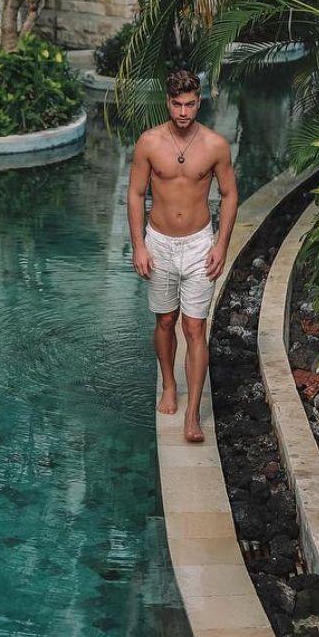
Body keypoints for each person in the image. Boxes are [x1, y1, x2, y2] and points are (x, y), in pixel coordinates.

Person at [127, 69, 239, 443]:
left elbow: (229, 194)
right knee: (165, 320)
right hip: (159, 242)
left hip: (198, 245)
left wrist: (221, 244)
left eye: (190, 104)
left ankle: (192, 414)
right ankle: (169, 385)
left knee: (194, 327)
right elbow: (135, 194)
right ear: (167, 102)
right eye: (176, 104)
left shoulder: (215, 145)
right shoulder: (149, 142)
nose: (183, 112)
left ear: (199, 102)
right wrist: (139, 245)